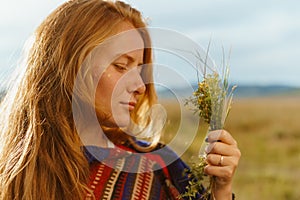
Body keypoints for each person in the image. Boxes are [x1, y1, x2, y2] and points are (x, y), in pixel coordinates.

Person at [0, 0, 241, 199]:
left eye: (140, 71)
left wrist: (221, 189)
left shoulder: (158, 167)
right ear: (71, 67)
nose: (140, 86)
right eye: (121, 66)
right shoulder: (12, 172)